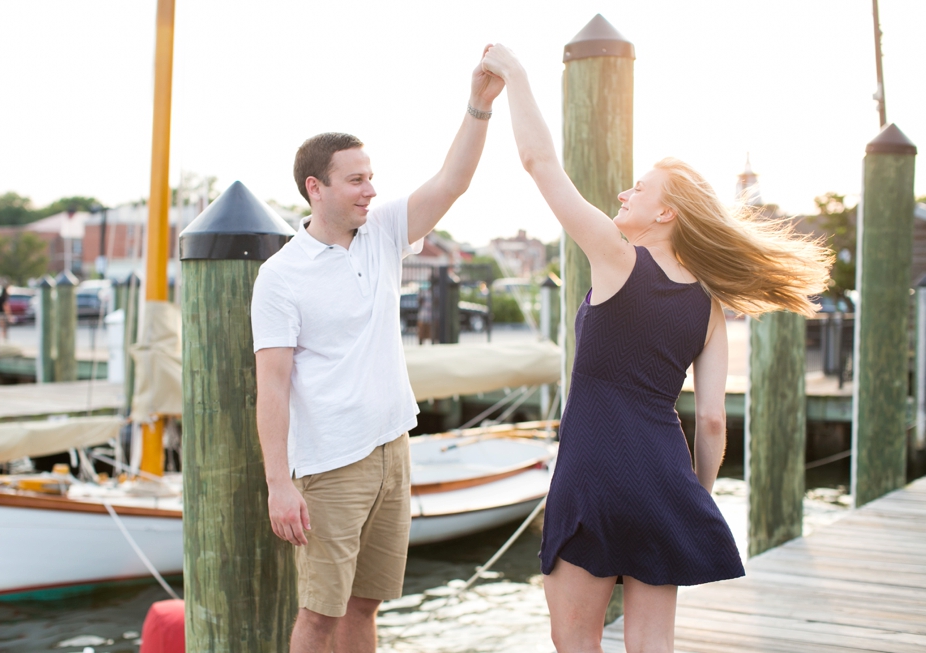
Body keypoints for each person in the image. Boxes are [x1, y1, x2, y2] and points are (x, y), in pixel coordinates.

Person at [480, 45, 832, 652]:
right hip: (663, 477)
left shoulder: (618, 260)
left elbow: (540, 162)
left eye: (637, 189)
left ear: (665, 211)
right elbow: (715, 424)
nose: (622, 193)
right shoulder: (712, 306)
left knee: (577, 644)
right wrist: (689, 493)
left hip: (592, 473)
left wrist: (513, 74)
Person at [251, 48, 503, 653]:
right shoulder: (281, 277)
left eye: (371, 176)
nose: (371, 189)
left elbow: (453, 181)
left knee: (366, 605)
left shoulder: (384, 233)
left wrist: (479, 105)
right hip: (330, 466)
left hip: (393, 447)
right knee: (320, 614)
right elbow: (273, 387)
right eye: (356, 179)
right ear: (317, 187)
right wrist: (278, 484)